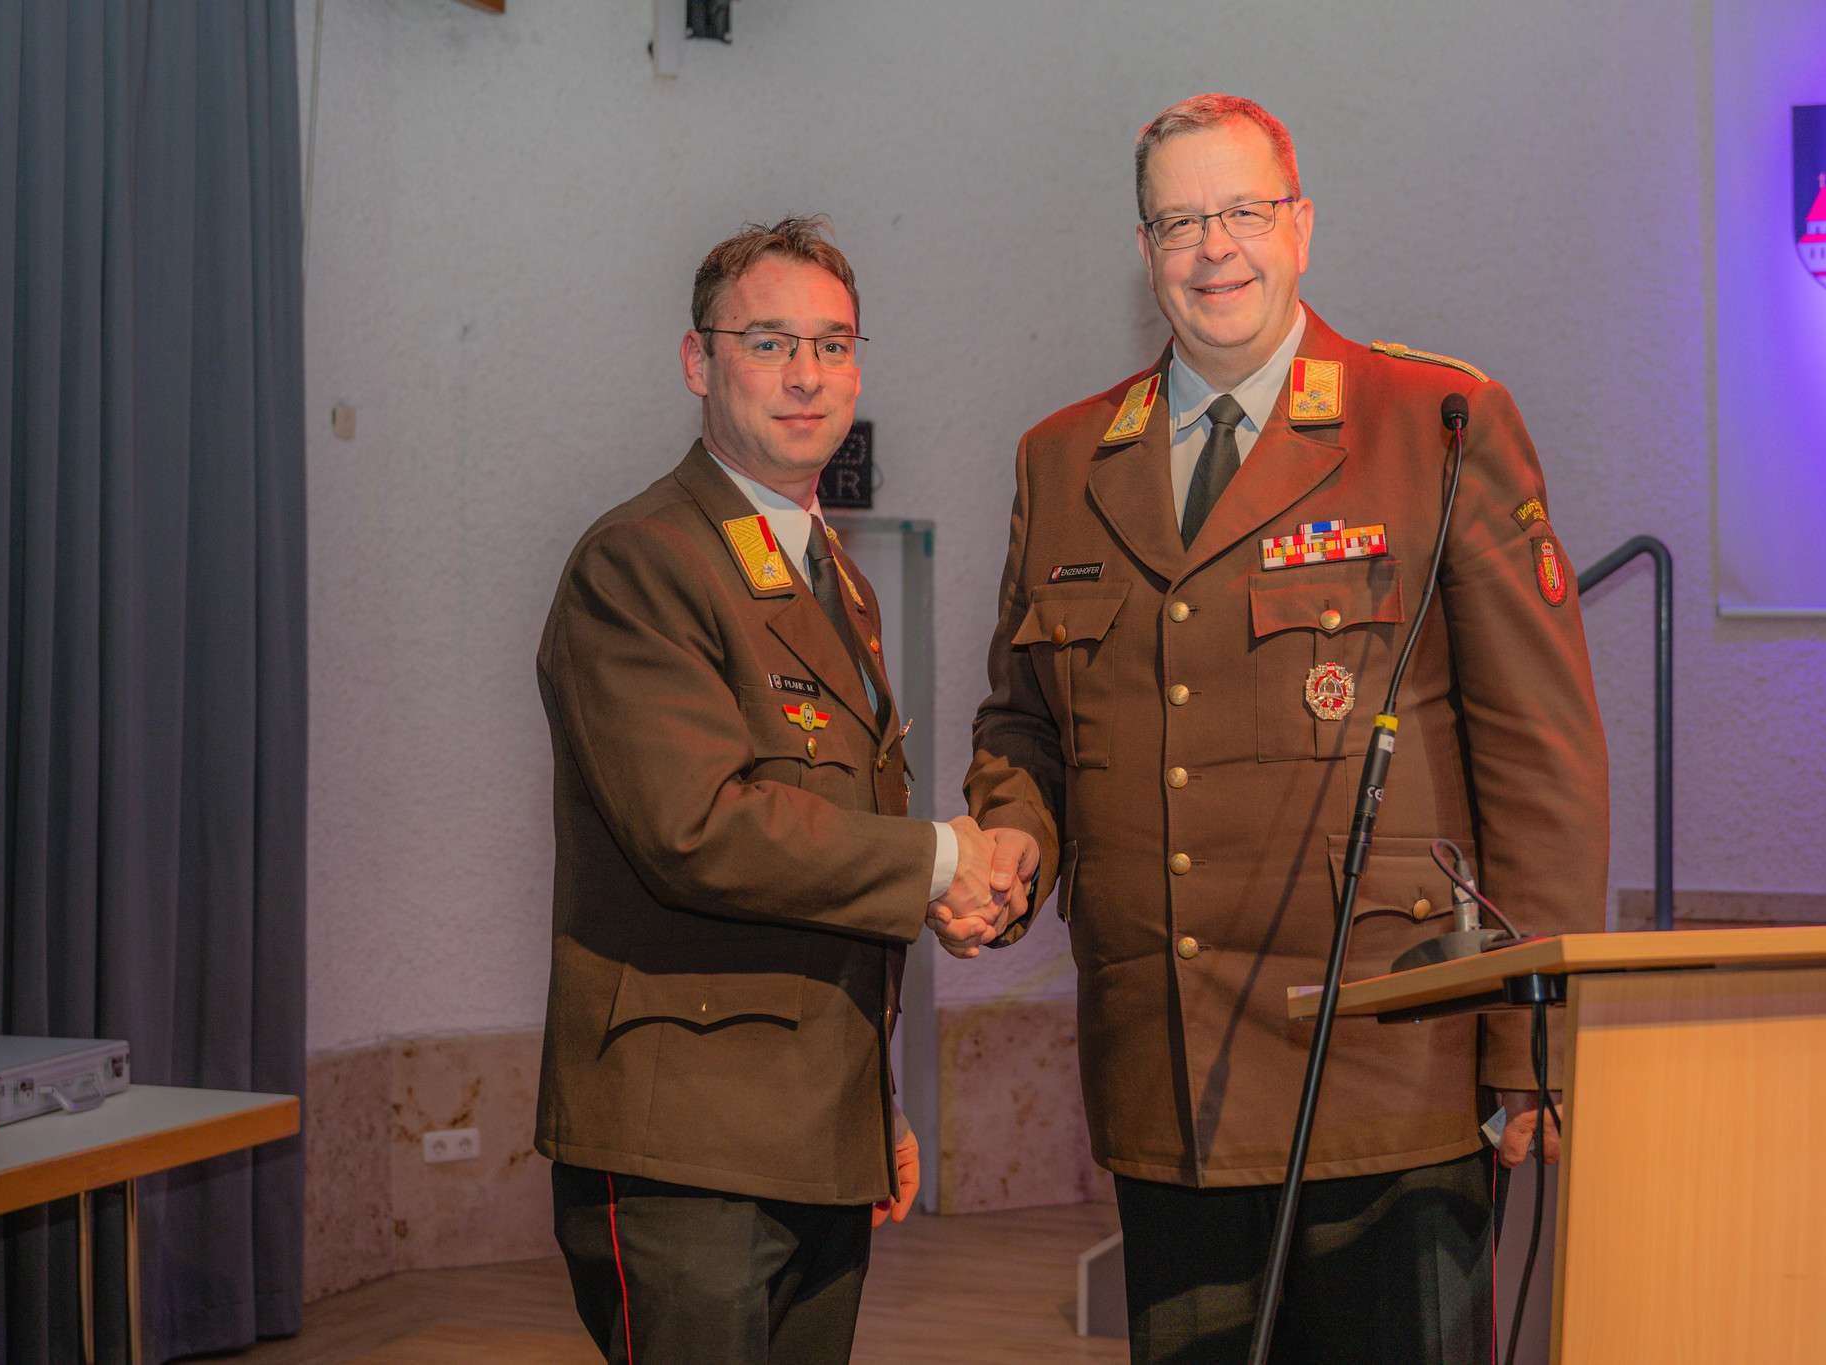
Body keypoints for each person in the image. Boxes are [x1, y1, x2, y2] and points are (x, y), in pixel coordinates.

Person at [941, 93, 1610, 1362]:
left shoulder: (1432, 423)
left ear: (1300, 226)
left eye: (1242, 211)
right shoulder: (1062, 459)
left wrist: (1536, 1033)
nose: (1214, 248)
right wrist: (1010, 836)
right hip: (1167, 1065)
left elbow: (1538, 752)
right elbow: (1022, 723)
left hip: (1387, 1059)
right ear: (1144, 251)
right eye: (1179, 221)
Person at [534, 217, 1011, 1364]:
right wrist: (944, 861)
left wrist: (870, 1108)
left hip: (811, 1130)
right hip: (687, 1150)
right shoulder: (642, 560)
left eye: (832, 344)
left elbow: (829, 857)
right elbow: (697, 829)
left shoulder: (830, 577)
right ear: (697, 363)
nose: (806, 374)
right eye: (768, 342)